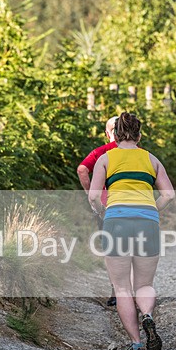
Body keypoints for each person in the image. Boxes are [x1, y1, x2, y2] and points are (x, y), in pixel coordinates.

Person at [88, 112, 175, 350]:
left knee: (122, 287)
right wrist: (151, 210)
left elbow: (93, 196)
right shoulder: (151, 159)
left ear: (114, 135)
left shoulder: (106, 159)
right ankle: (147, 315)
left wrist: (103, 212)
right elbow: (169, 194)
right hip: (147, 222)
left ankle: (137, 347)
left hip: (116, 221)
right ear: (139, 135)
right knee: (144, 284)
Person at [78, 116, 119, 306]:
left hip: (106, 207)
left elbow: (82, 170)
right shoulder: (139, 152)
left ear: (107, 133)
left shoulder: (100, 152)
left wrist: (91, 195)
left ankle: (116, 292)